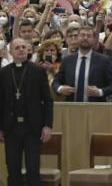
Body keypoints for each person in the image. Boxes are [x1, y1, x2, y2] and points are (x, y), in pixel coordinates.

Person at [0, 39, 54, 186]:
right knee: (12, 169)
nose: (21, 50)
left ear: (28, 50)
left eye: (24, 47)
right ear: (11, 52)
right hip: (11, 129)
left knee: (32, 169)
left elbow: (48, 101)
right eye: (17, 47)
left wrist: (47, 126)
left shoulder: (38, 71)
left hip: (32, 128)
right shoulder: (3, 73)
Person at [52, 25, 112, 102]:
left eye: (89, 36)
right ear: (78, 38)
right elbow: (56, 81)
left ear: (93, 39)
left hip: (96, 108)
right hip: (71, 108)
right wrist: (60, 89)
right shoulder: (67, 60)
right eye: (82, 35)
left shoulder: (103, 60)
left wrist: (100, 92)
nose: (85, 38)